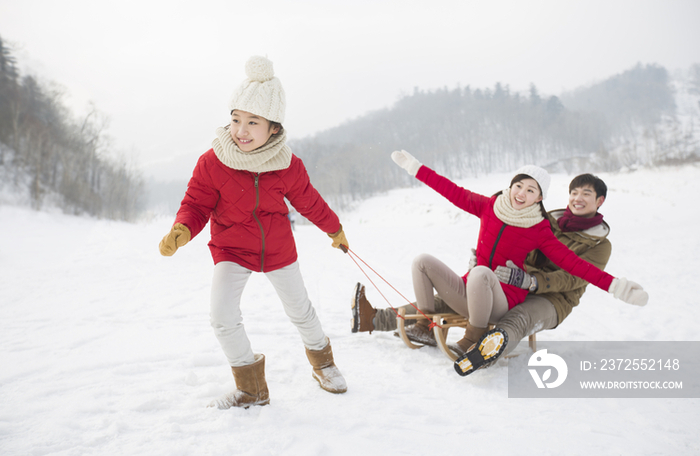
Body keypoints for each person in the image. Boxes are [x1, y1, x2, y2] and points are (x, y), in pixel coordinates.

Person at [159, 56, 350, 409]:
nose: (241, 131)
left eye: (252, 122)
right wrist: (182, 228)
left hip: (277, 249)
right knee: (222, 316)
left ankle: (324, 364)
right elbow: (197, 203)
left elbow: (309, 201)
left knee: (301, 311)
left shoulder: (287, 164)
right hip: (231, 248)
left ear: (273, 128)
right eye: (235, 119)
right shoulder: (213, 161)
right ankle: (251, 387)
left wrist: (334, 228)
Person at [358, 150, 647, 369]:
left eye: (531, 190)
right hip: (491, 284)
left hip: (541, 299)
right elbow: (452, 191)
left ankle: (479, 342)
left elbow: (575, 270)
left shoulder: (548, 229)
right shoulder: (503, 209)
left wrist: (616, 287)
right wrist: (416, 168)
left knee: (512, 310)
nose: (522, 193)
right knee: (426, 265)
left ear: (539, 198)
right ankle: (410, 323)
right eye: (519, 186)